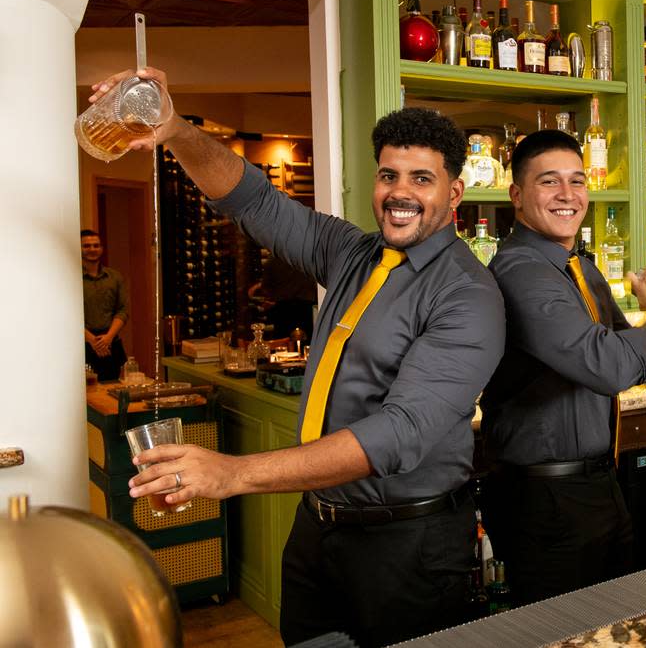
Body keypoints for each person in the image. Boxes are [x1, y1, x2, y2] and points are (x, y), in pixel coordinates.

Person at [100, 68, 506, 646]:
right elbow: (254, 199)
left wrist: (234, 473)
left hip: (408, 546)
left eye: (422, 178)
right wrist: (174, 129)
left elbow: (399, 433)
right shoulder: (350, 251)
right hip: (318, 529)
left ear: (454, 193)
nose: (400, 192)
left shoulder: (468, 295)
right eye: (389, 175)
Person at [479, 129, 646, 606]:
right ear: (516, 195)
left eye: (577, 181)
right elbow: (608, 367)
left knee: (613, 625)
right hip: (545, 499)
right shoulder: (520, 273)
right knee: (562, 634)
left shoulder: (580, 267)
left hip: (597, 487)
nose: (568, 195)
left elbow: (645, 361)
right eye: (549, 182)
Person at [81, 229, 129, 381]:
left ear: (101, 249)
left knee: (113, 390)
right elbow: (65, 316)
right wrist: (92, 341)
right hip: (82, 344)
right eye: (87, 246)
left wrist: (108, 338)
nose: (92, 249)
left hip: (111, 342)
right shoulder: (69, 278)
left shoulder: (114, 277)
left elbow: (123, 310)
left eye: (96, 245)